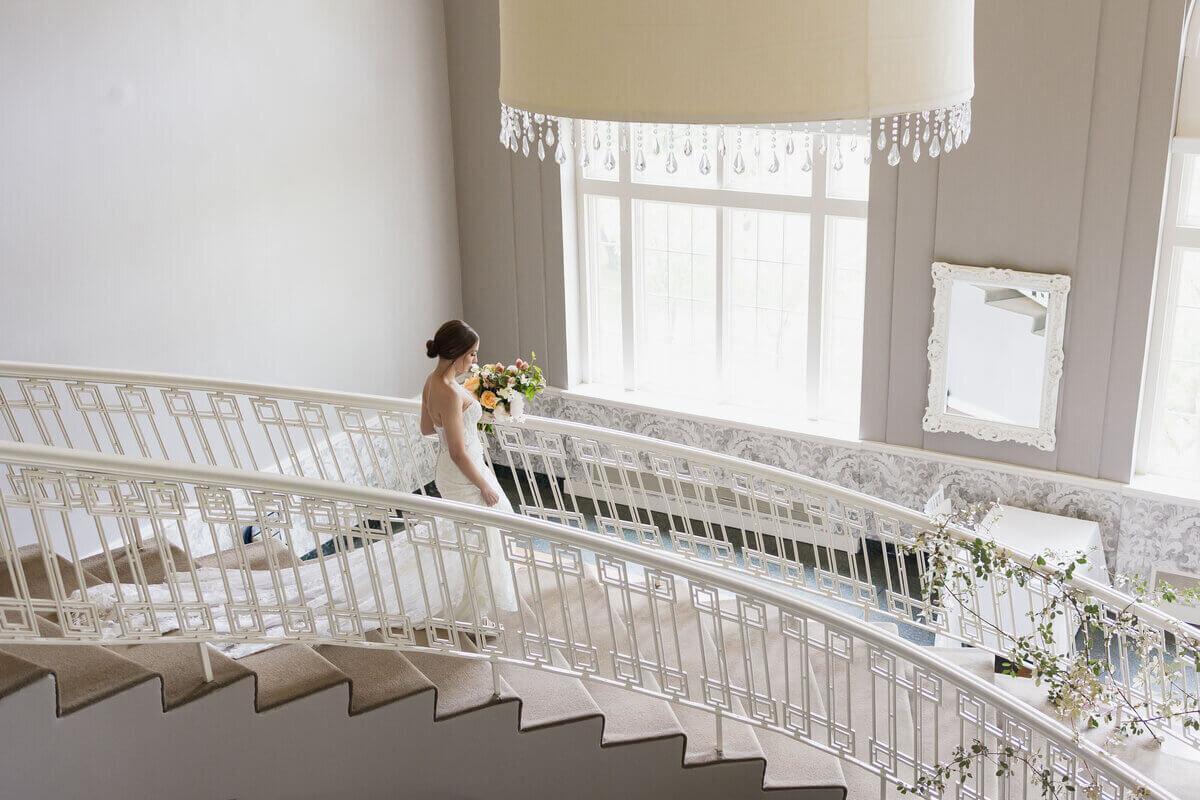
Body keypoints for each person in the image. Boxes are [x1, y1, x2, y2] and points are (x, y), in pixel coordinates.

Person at [420, 320, 519, 620]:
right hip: (464, 473)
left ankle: (472, 605)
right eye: (473, 354)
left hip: (451, 471)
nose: (475, 360)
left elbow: (426, 428)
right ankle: (471, 614)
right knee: (482, 538)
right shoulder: (450, 392)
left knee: (473, 538)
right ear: (455, 353)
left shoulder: (432, 381)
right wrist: (484, 486)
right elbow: (457, 452)